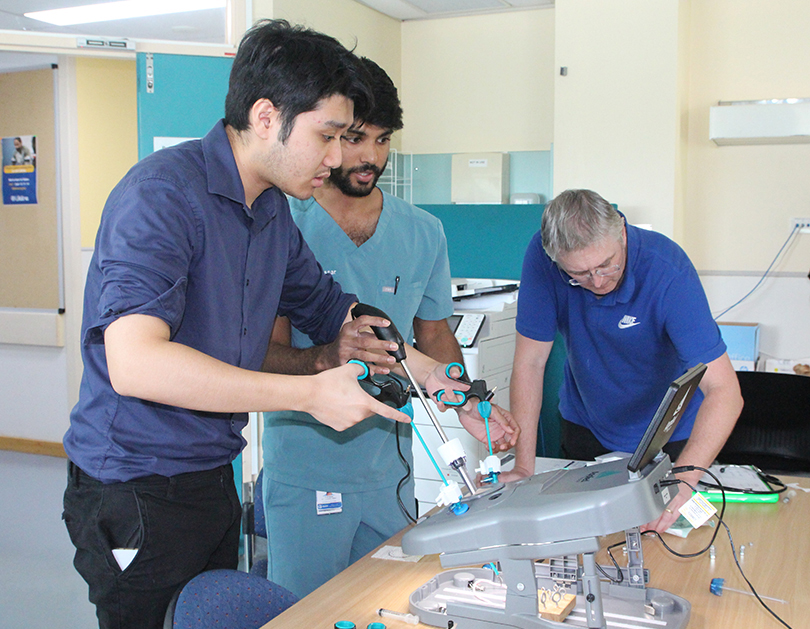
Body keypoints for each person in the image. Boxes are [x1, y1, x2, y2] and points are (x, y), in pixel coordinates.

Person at [61, 20, 461, 629]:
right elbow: (136, 362)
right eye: (328, 136)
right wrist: (309, 392)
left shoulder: (271, 210)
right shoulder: (162, 196)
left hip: (208, 475)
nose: (337, 159)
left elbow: (332, 309)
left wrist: (430, 372)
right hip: (134, 485)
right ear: (268, 116)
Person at [261, 58, 517, 598]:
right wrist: (328, 358)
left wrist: (463, 396)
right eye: (354, 138)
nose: (369, 157)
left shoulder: (423, 232)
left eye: (382, 141)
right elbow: (266, 351)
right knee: (305, 609)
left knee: (393, 602)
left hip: (391, 468)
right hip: (307, 466)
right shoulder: (285, 224)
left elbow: (436, 335)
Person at [504, 189, 743, 533]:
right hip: (588, 426)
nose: (597, 281)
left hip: (670, 435)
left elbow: (725, 391)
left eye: (605, 265)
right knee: (591, 541)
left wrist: (684, 484)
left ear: (621, 231)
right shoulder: (543, 257)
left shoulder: (667, 269)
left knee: (668, 539)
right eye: (579, 274)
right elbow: (529, 364)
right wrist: (524, 465)